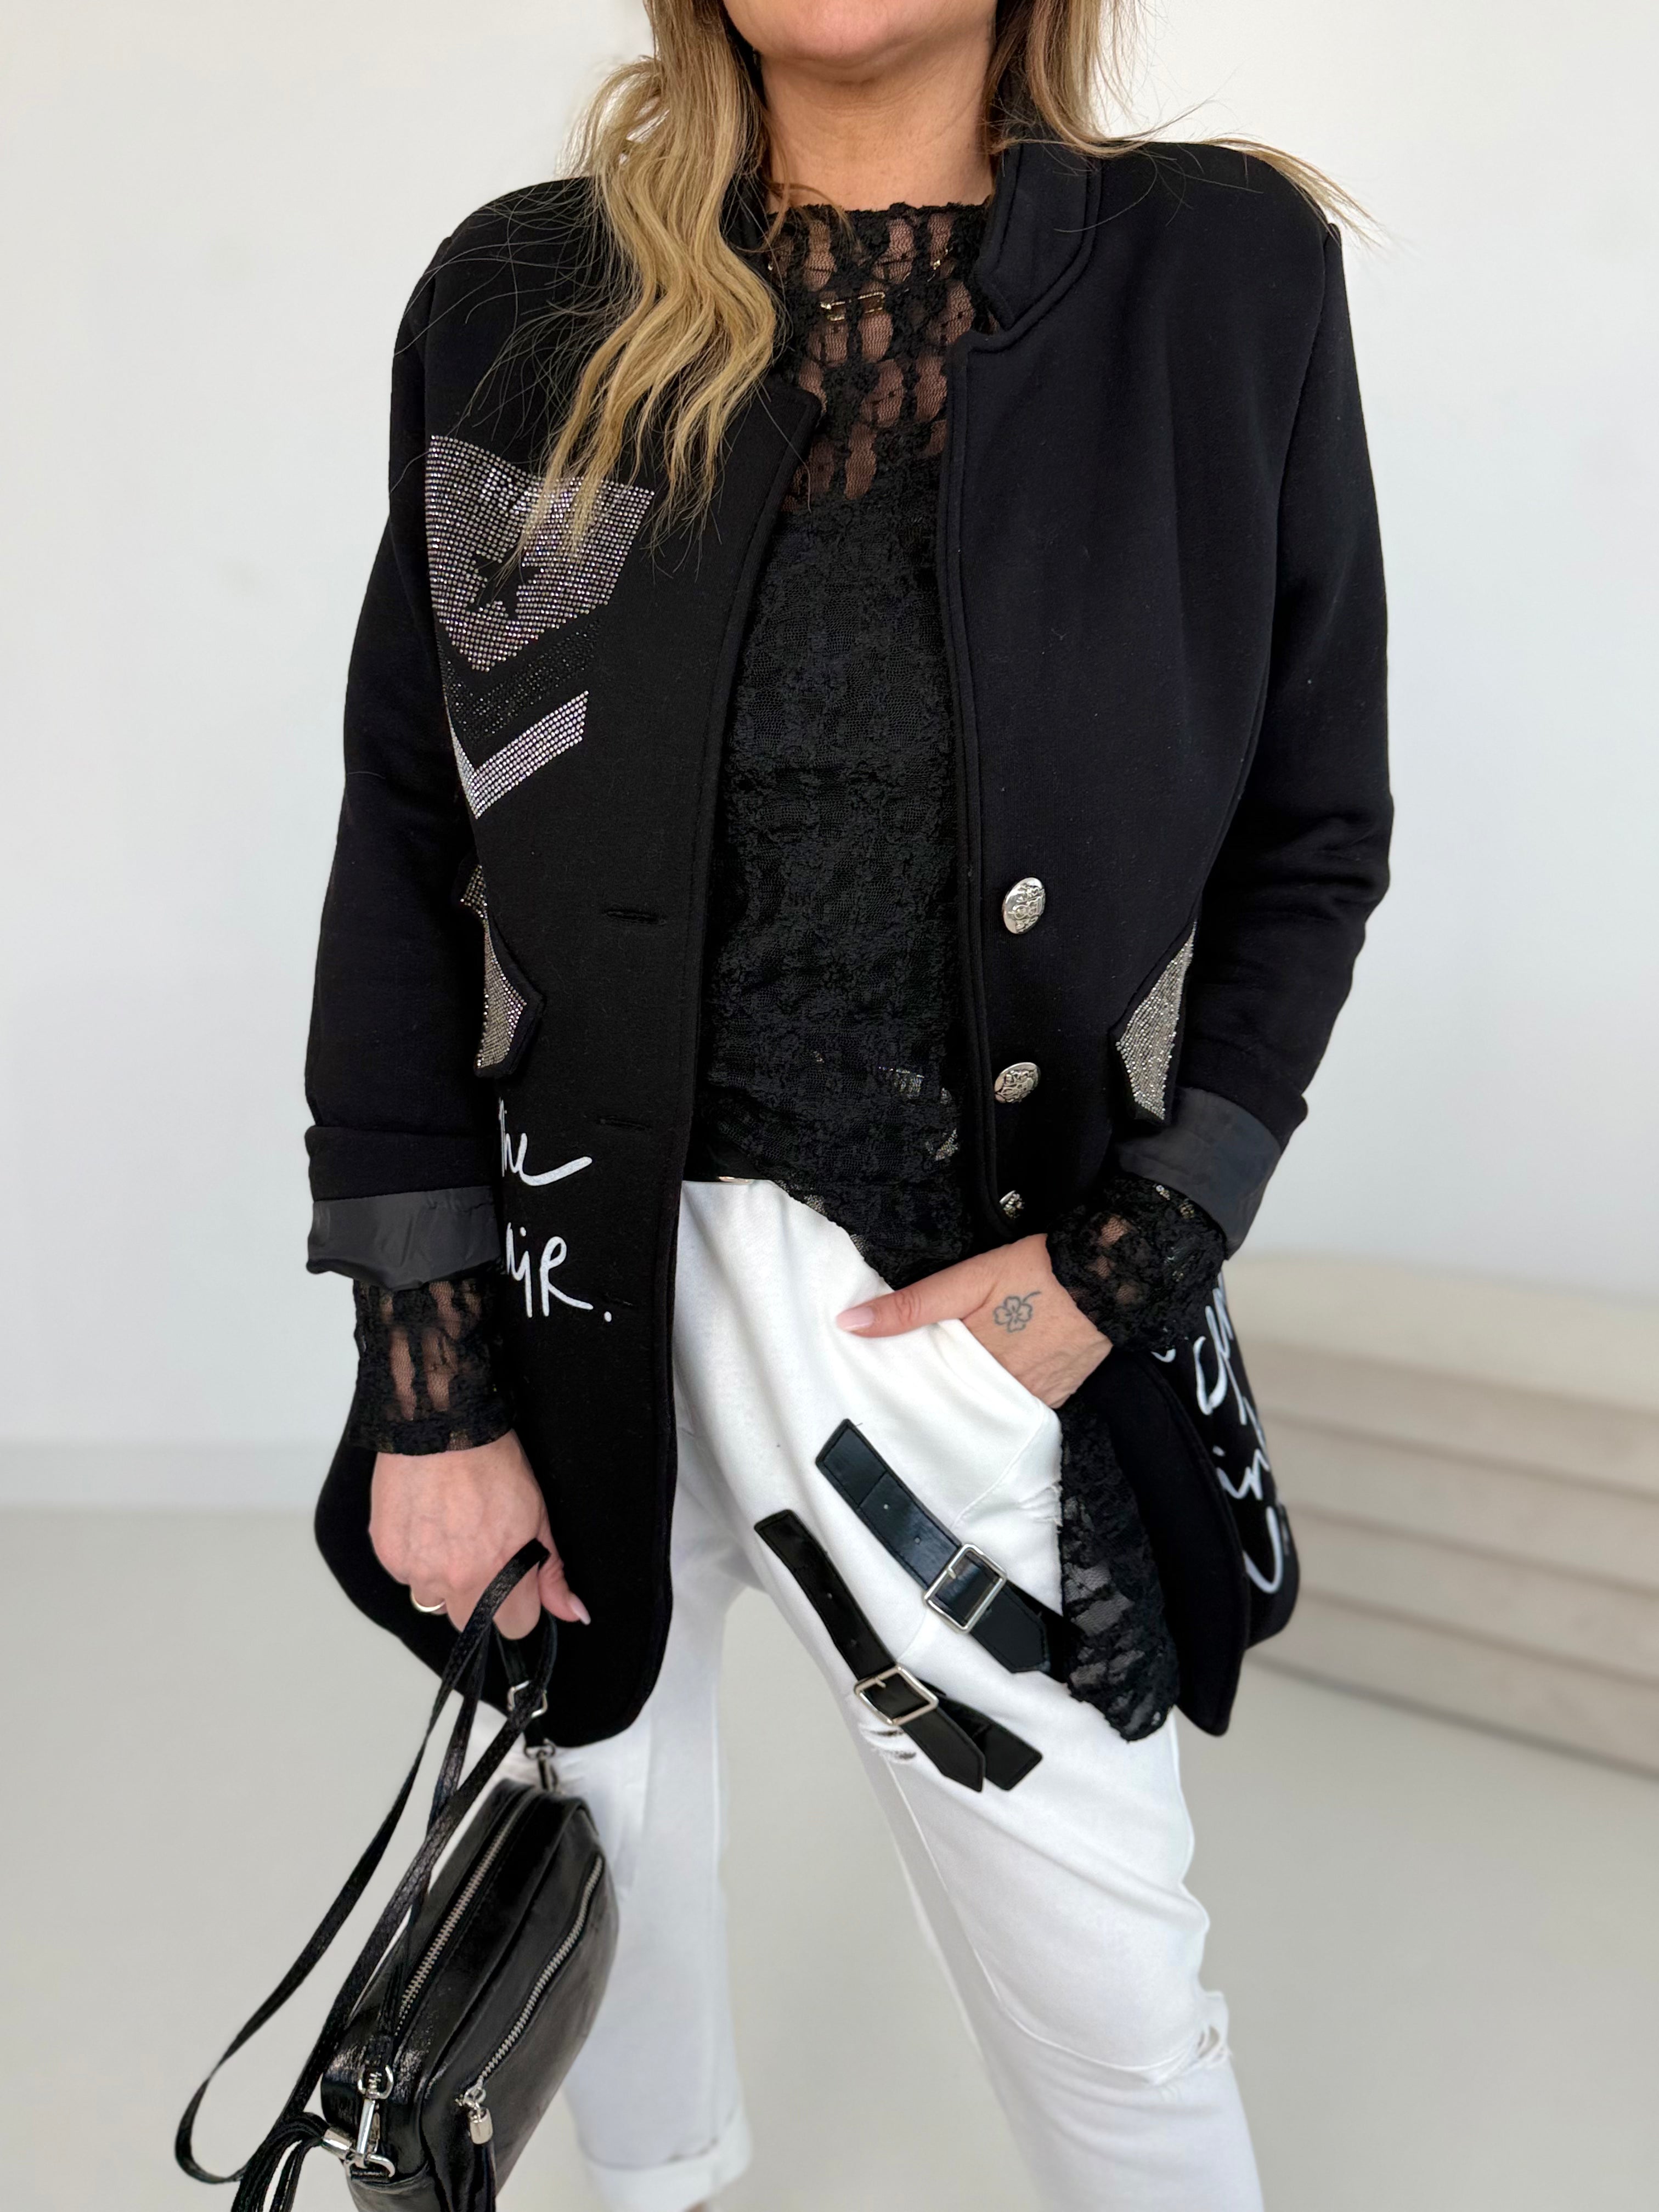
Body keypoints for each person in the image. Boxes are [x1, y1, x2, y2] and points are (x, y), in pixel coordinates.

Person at [303, 2, 1390, 2204]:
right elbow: (416, 840)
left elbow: (1312, 829)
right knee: (595, 1943)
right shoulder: (522, 303)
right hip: (569, 1289)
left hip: (957, 1309)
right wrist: (427, 1381)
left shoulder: (1221, 278)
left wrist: (1134, 1257)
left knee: (1117, 2024)